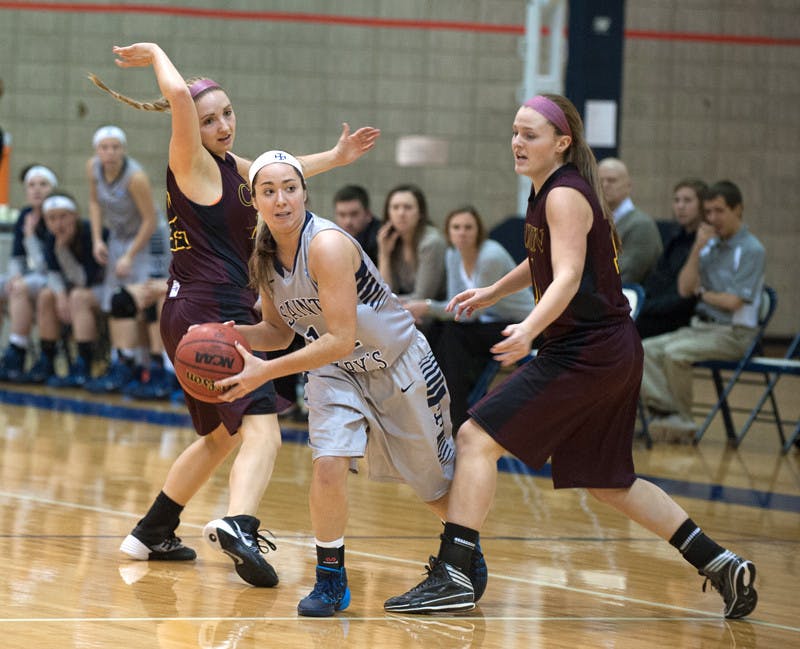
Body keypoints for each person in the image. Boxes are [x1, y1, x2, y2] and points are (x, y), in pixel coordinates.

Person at [383, 94, 758, 620]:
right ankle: (719, 562)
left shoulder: (563, 195)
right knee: (609, 482)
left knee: (475, 437)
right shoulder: (550, 193)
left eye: (529, 134)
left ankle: (455, 575)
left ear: (562, 143)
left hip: (589, 351)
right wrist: (494, 290)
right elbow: (544, 259)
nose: (517, 141)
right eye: (514, 131)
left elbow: (567, 276)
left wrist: (528, 329)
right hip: (605, 349)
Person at [89, 42, 379, 588]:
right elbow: (176, 94)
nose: (223, 125)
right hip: (210, 310)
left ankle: (151, 532)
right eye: (208, 119)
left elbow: (278, 175)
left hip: (193, 311)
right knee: (263, 431)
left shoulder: (228, 167)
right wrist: (154, 52)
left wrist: (335, 160)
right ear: (189, 127)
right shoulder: (190, 160)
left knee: (221, 438)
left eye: (227, 113)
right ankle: (239, 522)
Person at [215, 150, 485, 617]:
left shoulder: (327, 245)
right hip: (335, 370)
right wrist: (227, 336)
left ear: (305, 192)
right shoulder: (261, 249)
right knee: (327, 466)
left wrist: (263, 370)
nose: (281, 200)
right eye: (268, 191)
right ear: (254, 200)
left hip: (396, 365)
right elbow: (280, 332)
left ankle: (464, 560)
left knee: (434, 488)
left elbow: (339, 337)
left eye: (290, 188)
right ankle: (331, 581)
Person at [640, 180, 766, 442]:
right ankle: (671, 412)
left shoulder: (751, 249)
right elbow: (685, 289)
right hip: (701, 327)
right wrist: (697, 249)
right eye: (708, 212)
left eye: (719, 211)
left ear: (738, 210)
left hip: (734, 333)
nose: (712, 218)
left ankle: (682, 419)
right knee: (641, 350)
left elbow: (733, 302)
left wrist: (704, 293)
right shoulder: (708, 245)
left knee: (676, 354)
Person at [403, 205, 534, 430]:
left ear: (479, 231)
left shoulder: (490, 255)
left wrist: (426, 306)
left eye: (468, 227)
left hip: (522, 324)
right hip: (487, 324)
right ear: (448, 232)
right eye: (456, 227)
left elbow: (474, 310)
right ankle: (439, 405)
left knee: (454, 334)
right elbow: (457, 304)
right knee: (442, 331)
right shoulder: (453, 254)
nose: (462, 232)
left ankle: (454, 416)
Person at [37, 192, 108, 384]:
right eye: (52, 218)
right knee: (46, 295)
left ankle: (84, 362)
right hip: (79, 290)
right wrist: (60, 297)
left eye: (63, 216)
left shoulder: (89, 233)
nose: (58, 224)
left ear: (75, 215)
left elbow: (85, 279)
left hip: (106, 289)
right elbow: (53, 275)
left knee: (78, 296)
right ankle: (47, 359)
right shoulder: (51, 237)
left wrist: (62, 250)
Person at [0, 165, 58, 381]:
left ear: (52, 189)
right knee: (7, 283)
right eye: (32, 185)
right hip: (32, 277)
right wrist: (14, 275)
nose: (37, 190)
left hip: (54, 279)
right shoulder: (25, 214)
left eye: (43, 185)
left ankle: (17, 350)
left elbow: (47, 266)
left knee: (20, 287)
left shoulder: (56, 215)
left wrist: (30, 236)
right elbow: (17, 257)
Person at [637, 178, 707, 339]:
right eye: (677, 200)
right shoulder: (674, 237)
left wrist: (646, 308)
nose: (680, 206)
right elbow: (657, 278)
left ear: (702, 205)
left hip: (681, 317)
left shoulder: (705, 243)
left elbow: (685, 298)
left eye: (687, 200)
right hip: (656, 309)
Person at [377, 183, 446, 303]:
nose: (401, 213)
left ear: (420, 213)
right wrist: (384, 255)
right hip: (406, 309)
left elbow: (423, 296)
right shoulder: (390, 240)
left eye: (408, 207)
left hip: (433, 314)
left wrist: (384, 302)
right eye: (395, 207)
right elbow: (386, 290)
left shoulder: (431, 242)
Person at [598, 157, 662, 284]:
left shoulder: (641, 225)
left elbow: (625, 275)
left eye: (612, 180)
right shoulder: (593, 220)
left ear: (628, 186)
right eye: (599, 181)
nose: (604, 185)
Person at [333, 184, 380, 264]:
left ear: (368, 214)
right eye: (342, 214)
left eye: (354, 214)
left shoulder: (380, 238)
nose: (348, 221)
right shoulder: (332, 237)